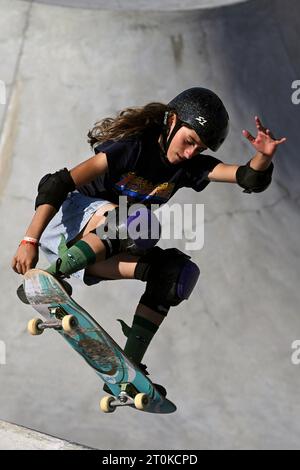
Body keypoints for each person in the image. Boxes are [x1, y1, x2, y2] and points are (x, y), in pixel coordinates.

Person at [11, 87, 286, 395]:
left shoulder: (189, 167)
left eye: (201, 147)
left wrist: (263, 157)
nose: (191, 152)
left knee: (175, 273)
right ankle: (53, 275)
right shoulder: (132, 148)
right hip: (67, 220)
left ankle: (127, 372)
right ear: (170, 122)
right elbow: (57, 183)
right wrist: (29, 239)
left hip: (97, 250)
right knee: (139, 222)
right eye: (189, 141)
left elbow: (248, 177)